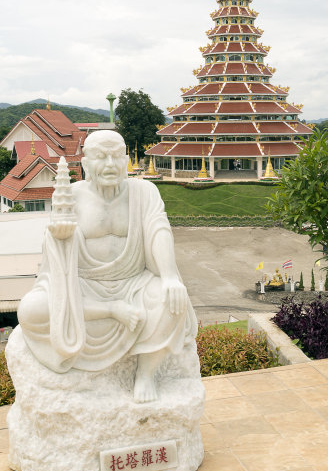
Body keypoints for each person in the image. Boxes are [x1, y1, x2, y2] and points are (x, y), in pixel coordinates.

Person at [18, 131, 197, 402]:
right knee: (31, 310)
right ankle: (109, 313)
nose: (110, 164)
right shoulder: (70, 195)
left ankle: (146, 372)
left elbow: (158, 229)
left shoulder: (144, 191)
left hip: (134, 281)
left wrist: (171, 276)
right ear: (85, 164)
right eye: (101, 157)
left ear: (126, 159)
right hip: (84, 285)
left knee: (172, 298)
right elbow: (56, 264)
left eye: (116, 156)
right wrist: (60, 238)